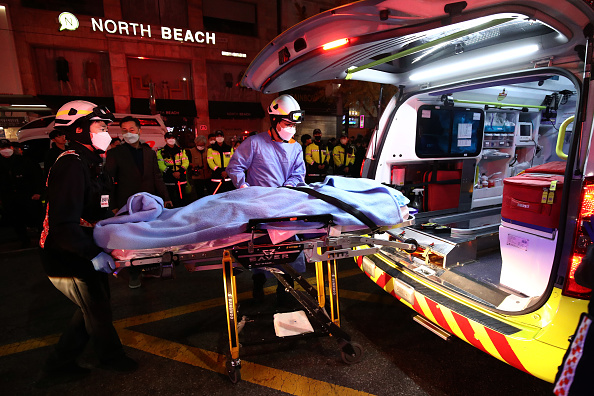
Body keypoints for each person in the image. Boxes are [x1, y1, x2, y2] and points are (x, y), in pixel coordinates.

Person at [37, 100, 137, 388]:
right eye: (101, 126)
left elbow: (96, 211)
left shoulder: (91, 162)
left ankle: (60, 363)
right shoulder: (71, 164)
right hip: (66, 253)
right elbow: (62, 226)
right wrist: (94, 254)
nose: (107, 132)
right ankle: (109, 357)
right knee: (96, 308)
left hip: (82, 248)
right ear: (79, 129)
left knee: (92, 308)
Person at [226, 94, 306, 303]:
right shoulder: (254, 143)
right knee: (258, 251)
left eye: (294, 125)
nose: (291, 129)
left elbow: (298, 174)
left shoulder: (295, 147)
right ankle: (258, 284)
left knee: (287, 249)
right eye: (287, 124)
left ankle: (285, 289)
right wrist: (244, 186)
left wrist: (287, 188)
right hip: (258, 206)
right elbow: (235, 166)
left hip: (284, 205)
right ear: (274, 121)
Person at [105, 116, 173, 288]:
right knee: (131, 240)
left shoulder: (149, 152)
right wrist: (112, 205)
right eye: (125, 131)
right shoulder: (115, 153)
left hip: (148, 203)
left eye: (132, 130)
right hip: (126, 203)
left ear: (139, 130)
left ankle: (149, 268)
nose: (128, 134)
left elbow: (157, 177)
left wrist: (166, 198)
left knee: (148, 236)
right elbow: (109, 181)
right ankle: (134, 273)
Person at [0, 140, 43, 248]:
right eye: (2, 148)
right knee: (16, 219)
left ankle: (42, 236)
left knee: (34, 216)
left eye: (7, 147)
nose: (5, 150)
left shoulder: (24, 161)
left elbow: (36, 177)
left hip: (26, 194)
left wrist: (37, 192)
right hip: (9, 196)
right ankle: (24, 239)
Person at [157, 132, 190, 207]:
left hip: (180, 177)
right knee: (171, 198)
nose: (171, 140)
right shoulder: (161, 152)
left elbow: (185, 161)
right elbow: (161, 165)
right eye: (169, 138)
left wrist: (180, 171)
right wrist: (172, 173)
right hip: (169, 178)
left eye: (173, 138)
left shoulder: (181, 150)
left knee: (182, 199)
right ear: (165, 139)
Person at [207, 130, 234, 194]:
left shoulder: (229, 148)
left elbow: (233, 161)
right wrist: (219, 171)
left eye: (221, 136)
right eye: (217, 136)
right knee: (216, 195)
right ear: (215, 138)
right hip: (216, 176)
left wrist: (227, 171)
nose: (219, 138)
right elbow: (210, 162)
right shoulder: (211, 149)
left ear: (223, 137)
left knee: (229, 195)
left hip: (228, 176)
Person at [187, 135, 211, 200]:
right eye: (199, 145)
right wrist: (192, 165)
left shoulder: (208, 151)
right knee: (199, 194)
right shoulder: (191, 151)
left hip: (208, 175)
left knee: (210, 193)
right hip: (197, 177)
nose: (201, 147)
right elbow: (187, 162)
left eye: (202, 145)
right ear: (196, 143)